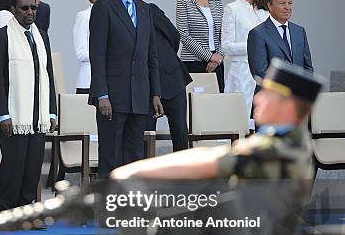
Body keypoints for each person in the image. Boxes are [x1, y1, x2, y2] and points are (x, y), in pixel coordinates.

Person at [112, 57, 320, 182]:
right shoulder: (295, 138)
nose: (258, 98)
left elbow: (207, 162)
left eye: (268, 95)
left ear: (289, 107)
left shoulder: (274, 148)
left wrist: (135, 171)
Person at [89, 0, 163, 177]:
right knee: (111, 156)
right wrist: (102, 94)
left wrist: (156, 93)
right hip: (112, 97)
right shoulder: (104, 7)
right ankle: (108, 207)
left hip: (140, 96)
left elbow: (151, 55)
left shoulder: (145, 9)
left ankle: (130, 206)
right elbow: (98, 54)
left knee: (134, 158)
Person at [0, 0, 57, 212]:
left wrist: (52, 112)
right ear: (13, 9)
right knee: (13, 166)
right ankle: (7, 211)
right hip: (13, 115)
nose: (30, 12)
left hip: (37, 115)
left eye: (33, 8)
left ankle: (25, 212)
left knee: (32, 166)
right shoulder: (2, 36)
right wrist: (3, 114)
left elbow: (48, 75)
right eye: (24, 8)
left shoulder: (42, 36)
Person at [221, 0, 270, 116]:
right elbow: (226, 46)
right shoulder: (232, 9)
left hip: (265, 71)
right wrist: (254, 46)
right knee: (241, 118)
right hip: (242, 72)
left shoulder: (265, 10)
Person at [176, 0, 225, 92]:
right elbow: (184, 36)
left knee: (217, 102)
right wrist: (209, 56)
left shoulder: (217, 0)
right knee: (196, 104)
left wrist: (218, 57)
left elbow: (224, 33)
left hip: (217, 62)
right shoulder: (183, 2)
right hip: (193, 62)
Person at [149, 2, 192, 151]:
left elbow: (174, 35)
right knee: (145, 134)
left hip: (171, 77)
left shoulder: (149, 9)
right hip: (144, 85)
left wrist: (166, 58)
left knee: (180, 129)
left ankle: (183, 172)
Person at [247, 0, 313, 83]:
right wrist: (288, 89)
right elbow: (260, 73)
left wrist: (301, 88)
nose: (287, 7)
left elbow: (308, 68)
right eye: (282, 3)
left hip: (296, 96)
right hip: (271, 96)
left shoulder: (299, 31)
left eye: (290, 3)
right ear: (269, 6)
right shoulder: (257, 33)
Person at [73, 0, 114, 94]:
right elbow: (81, 53)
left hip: (111, 81)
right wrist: (109, 53)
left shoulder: (114, 16)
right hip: (89, 82)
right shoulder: (84, 16)